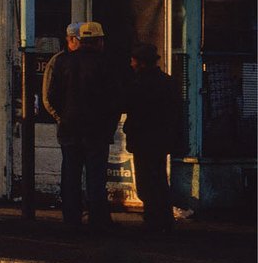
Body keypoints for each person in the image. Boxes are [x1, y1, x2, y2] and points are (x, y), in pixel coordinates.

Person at [45, 20, 123, 232]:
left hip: (69, 128)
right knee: (95, 178)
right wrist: (108, 125)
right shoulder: (107, 63)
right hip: (96, 131)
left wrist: (64, 117)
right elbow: (115, 100)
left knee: (70, 175)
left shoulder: (63, 62)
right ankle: (97, 220)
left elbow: (51, 96)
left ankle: (71, 218)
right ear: (99, 41)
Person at [122, 42, 183, 232]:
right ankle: (163, 219)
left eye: (133, 61)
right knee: (159, 179)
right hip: (161, 139)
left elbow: (128, 107)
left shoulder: (137, 84)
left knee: (146, 182)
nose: (131, 65)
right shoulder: (168, 82)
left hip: (142, 139)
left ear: (140, 63)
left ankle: (153, 219)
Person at [41, 21, 81, 120]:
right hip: (68, 122)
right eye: (82, 41)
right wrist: (61, 118)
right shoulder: (57, 61)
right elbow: (48, 96)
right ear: (71, 39)